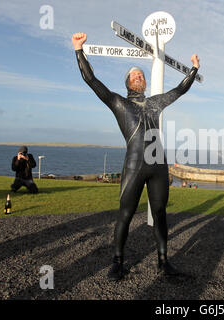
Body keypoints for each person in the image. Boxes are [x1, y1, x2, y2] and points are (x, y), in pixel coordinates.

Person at [72, 32, 200, 281]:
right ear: (128, 83)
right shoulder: (117, 102)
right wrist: (78, 50)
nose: (139, 77)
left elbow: (180, 90)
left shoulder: (155, 103)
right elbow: (91, 79)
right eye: (134, 75)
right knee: (126, 214)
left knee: (161, 212)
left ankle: (164, 262)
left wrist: (194, 69)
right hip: (134, 166)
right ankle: (118, 261)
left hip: (158, 166)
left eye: (141, 75)